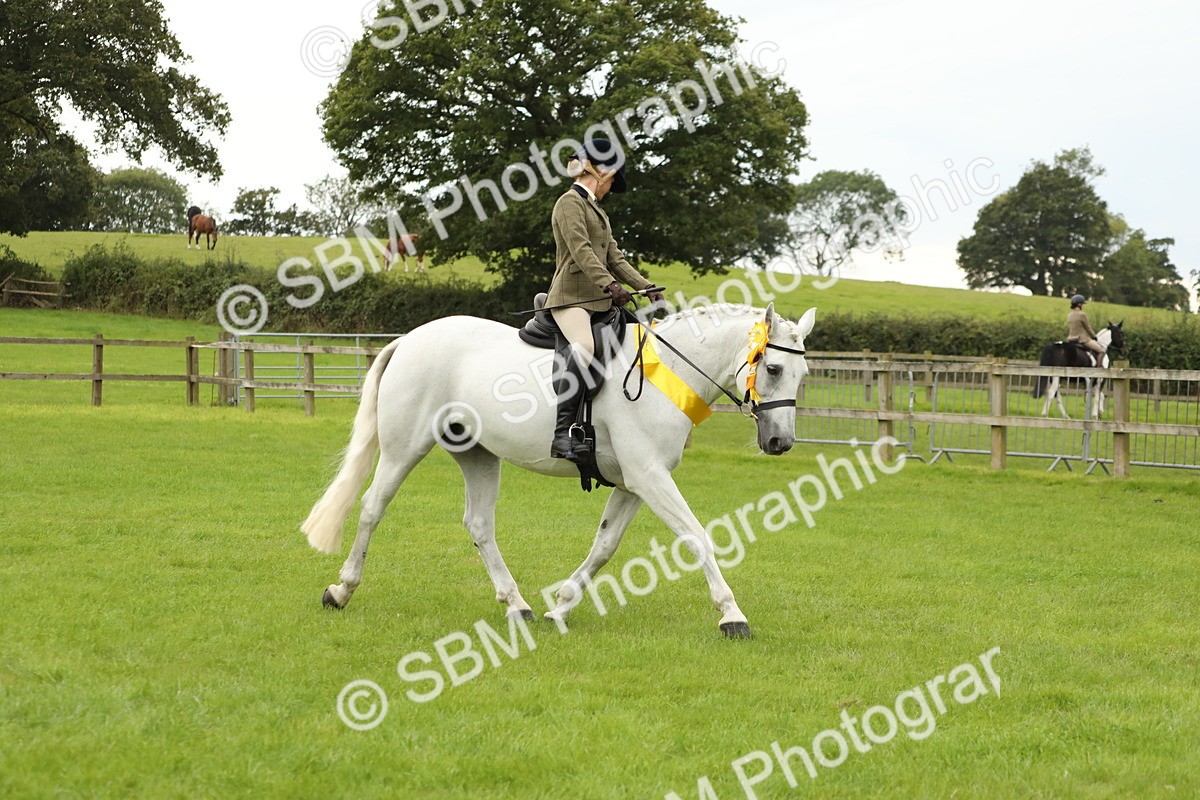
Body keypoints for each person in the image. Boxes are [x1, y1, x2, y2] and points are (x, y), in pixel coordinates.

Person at [546, 138, 663, 461]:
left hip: (598, 300)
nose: (610, 189)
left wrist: (646, 286)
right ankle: (561, 434)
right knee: (584, 347)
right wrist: (611, 286)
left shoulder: (597, 211)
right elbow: (582, 252)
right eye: (611, 181)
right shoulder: (569, 203)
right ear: (598, 173)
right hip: (570, 299)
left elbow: (614, 257)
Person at [1066, 294, 1106, 368]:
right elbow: (1088, 328)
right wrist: (1094, 336)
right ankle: (1099, 371)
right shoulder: (1082, 314)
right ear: (1079, 304)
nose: (1083, 306)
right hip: (1083, 340)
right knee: (1102, 351)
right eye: (1083, 304)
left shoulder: (1069, 315)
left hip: (1071, 339)